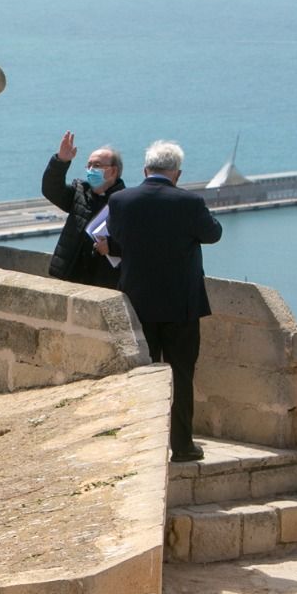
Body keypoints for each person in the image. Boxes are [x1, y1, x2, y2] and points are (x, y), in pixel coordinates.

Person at [103, 140, 223, 462]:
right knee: (181, 374)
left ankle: (140, 446)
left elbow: (117, 241)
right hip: (181, 306)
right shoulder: (190, 202)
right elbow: (213, 234)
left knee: (142, 375)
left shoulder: (120, 200)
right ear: (177, 174)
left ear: (145, 170)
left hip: (138, 303)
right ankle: (182, 446)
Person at [40, 132, 124, 288]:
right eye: (89, 165)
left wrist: (111, 247)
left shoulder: (126, 202)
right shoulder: (79, 192)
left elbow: (136, 244)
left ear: (113, 171)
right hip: (72, 276)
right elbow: (51, 189)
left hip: (105, 281)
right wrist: (61, 161)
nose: (91, 170)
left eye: (97, 166)